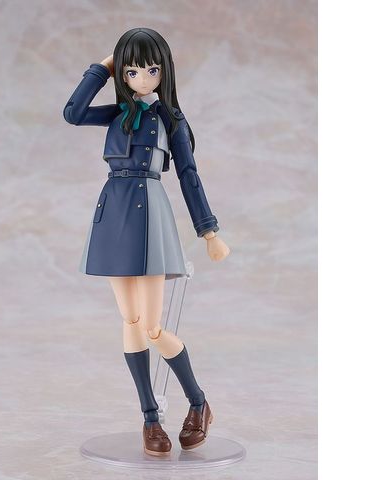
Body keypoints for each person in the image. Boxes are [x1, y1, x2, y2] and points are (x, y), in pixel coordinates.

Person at [63, 27, 230, 456]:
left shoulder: (172, 120)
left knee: (153, 326)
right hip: (113, 212)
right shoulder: (117, 112)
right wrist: (102, 68)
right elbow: (73, 113)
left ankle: (198, 402)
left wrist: (209, 231)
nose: (141, 78)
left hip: (150, 212)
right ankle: (150, 417)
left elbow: (189, 175)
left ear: (164, 71)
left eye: (150, 70)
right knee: (130, 320)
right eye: (131, 70)